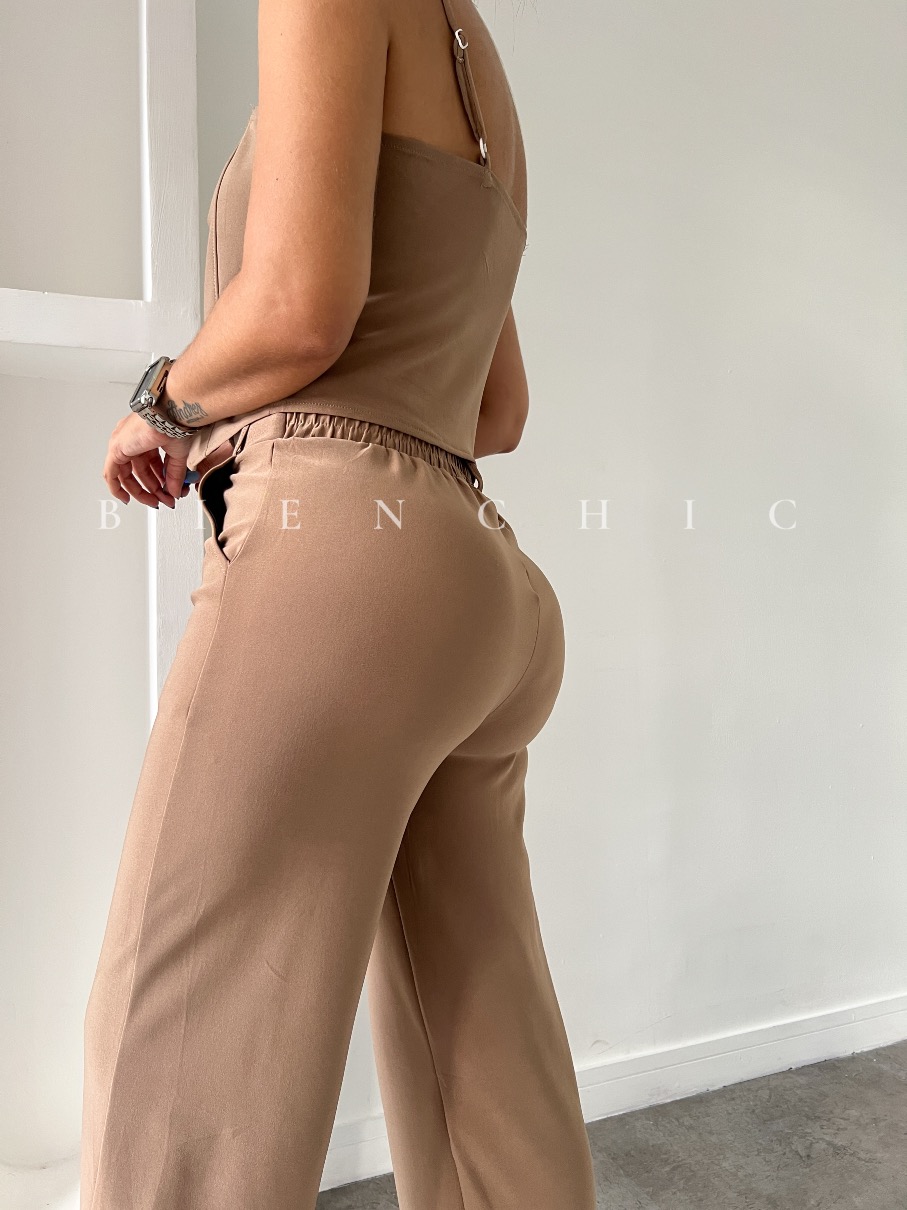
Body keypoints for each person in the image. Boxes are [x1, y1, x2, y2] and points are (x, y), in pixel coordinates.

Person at [84, 0, 597, 1205]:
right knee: (479, 1050)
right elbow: (497, 410)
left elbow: (299, 306)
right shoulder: (475, 61)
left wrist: (162, 401)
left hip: (340, 574)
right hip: (479, 588)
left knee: (181, 1049)